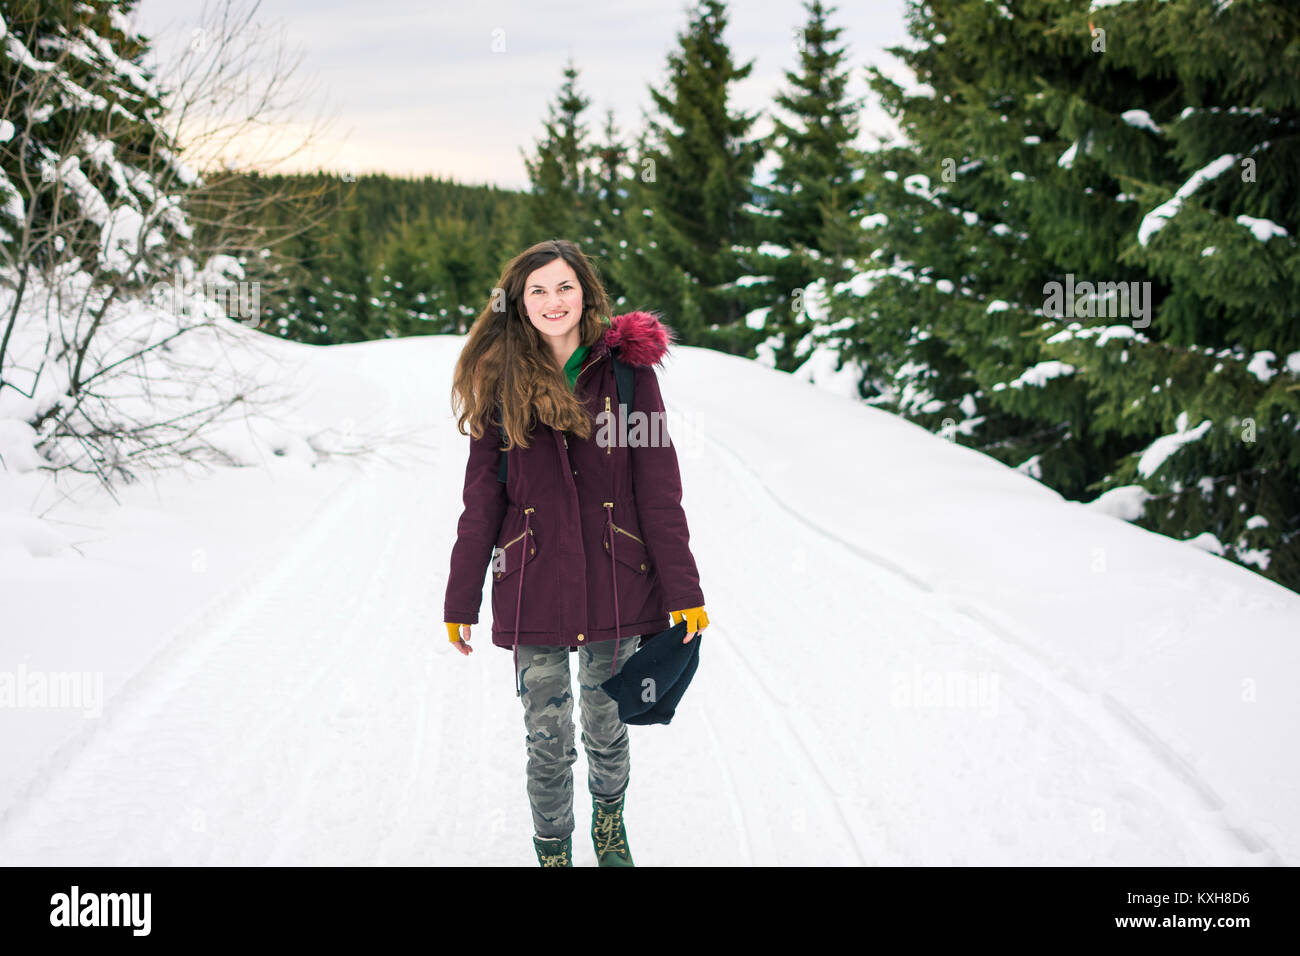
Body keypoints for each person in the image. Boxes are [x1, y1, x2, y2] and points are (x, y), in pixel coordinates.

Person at [443, 239, 710, 867]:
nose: (552, 300)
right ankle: (554, 851)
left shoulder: (626, 374)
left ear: (584, 292)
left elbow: (658, 485)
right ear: (518, 301)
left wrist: (684, 590)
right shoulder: (497, 380)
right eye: (537, 290)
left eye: (564, 287)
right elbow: (481, 502)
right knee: (546, 737)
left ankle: (609, 825)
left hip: (615, 578)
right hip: (532, 577)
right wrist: (461, 598)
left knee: (607, 720)